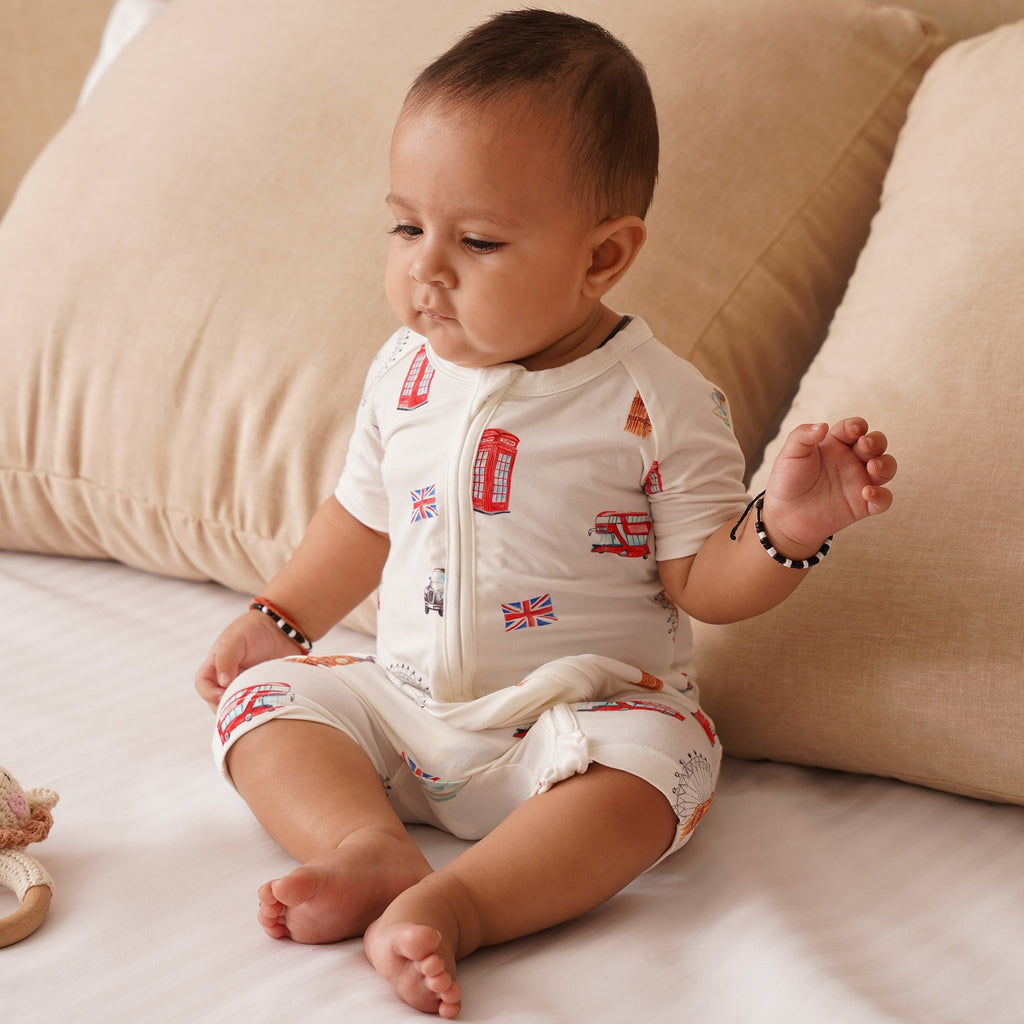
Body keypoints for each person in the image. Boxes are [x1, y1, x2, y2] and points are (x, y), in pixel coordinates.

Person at [195, 9, 897, 1019]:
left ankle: (464, 903)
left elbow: (700, 584)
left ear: (603, 257)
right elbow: (359, 520)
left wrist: (784, 531)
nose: (425, 268)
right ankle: (366, 846)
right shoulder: (402, 373)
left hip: (578, 728)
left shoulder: (658, 403)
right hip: (406, 711)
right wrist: (280, 620)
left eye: (476, 239)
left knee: (667, 763)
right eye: (406, 226)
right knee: (259, 706)